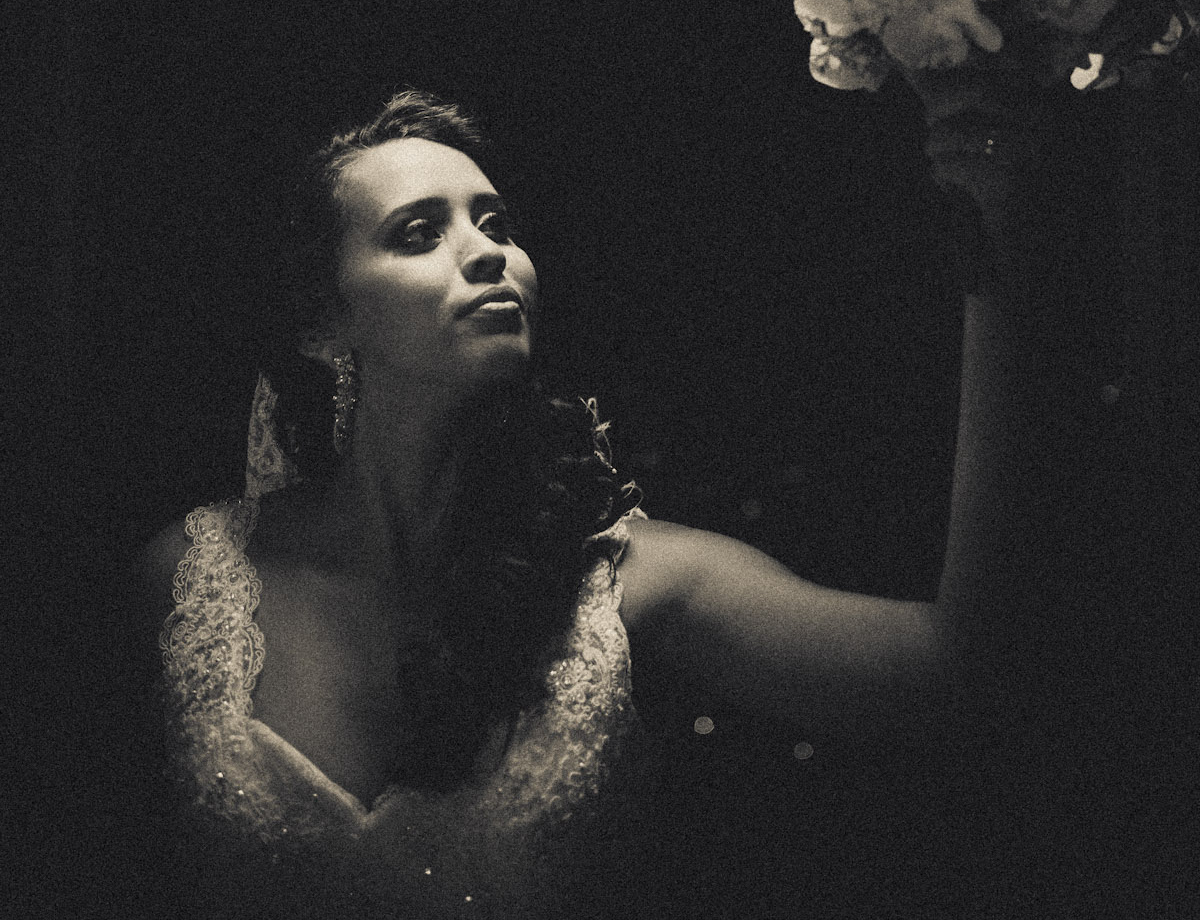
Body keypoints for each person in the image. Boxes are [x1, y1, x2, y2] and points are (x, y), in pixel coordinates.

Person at [137, 78, 1091, 919]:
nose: (488, 254)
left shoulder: (640, 579)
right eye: (419, 234)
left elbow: (962, 675)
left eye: (497, 224)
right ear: (322, 321)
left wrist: (996, 231)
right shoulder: (188, 581)